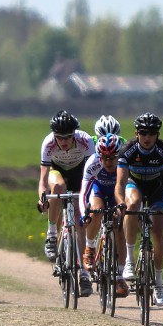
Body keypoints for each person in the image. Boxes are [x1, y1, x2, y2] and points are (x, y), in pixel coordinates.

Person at [116, 112, 163, 307]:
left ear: (157, 135)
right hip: (133, 184)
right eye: (143, 133)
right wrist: (120, 202)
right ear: (136, 133)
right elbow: (119, 184)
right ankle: (129, 259)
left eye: (151, 133)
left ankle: (159, 283)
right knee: (132, 204)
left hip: (157, 188)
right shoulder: (127, 150)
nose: (147, 137)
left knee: (158, 231)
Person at [37, 109, 96, 296]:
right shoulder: (48, 143)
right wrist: (42, 198)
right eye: (59, 137)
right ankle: (52, 234)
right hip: (57, 171)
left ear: (74, 135)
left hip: (81, 173)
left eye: (67, 137)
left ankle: (85, 275)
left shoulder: (86, 141)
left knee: (80, 222)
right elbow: (43, 179)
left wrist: (89, 201)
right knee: (58, 187)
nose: (63, 142)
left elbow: (92, 174)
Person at [80, 133, 131, 298]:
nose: (108, 162)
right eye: (105, 157)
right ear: (99, 155)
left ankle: (119, 276)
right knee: (96, 210)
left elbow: (131, 188)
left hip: (117, 194)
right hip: (99, 190)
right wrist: (83, 213)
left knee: (119, 229)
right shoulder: (93, 163)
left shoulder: (125, 163)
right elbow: (83, 192)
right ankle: (90, 248)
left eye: (113, 158)